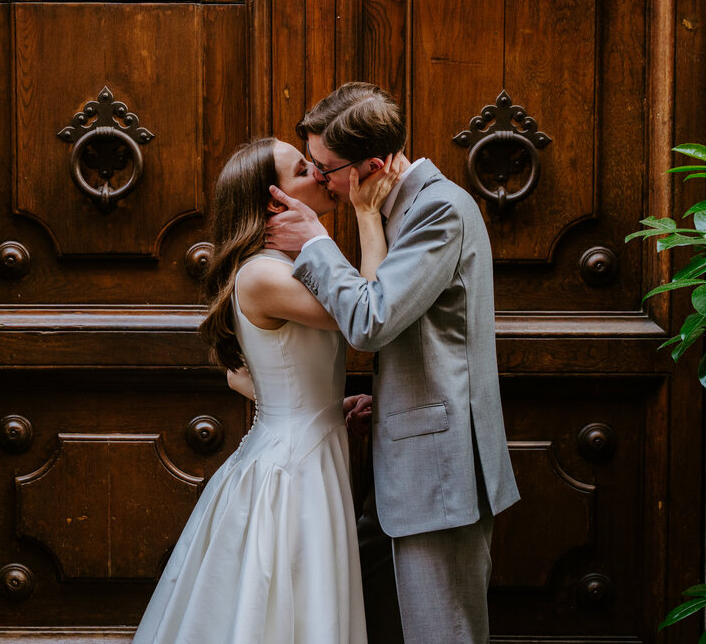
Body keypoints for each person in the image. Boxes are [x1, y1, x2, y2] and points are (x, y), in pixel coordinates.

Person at [265, 83, 521, 644]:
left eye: (325, 168)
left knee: (442, 634)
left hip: (438, 475)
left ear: (372, 165)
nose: (318, 179)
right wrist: (393, 398)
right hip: (399, 462)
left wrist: (314, 243)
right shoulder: (390, 206)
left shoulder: (437, 210)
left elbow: (372, 322)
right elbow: (436, 334)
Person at [133, 137, 397, 644]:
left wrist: (322, 407)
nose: (321, 173)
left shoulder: (285, 268)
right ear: (275, 199)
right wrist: (366, 216)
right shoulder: (263, 274)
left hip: (308, 447)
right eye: (304, 169)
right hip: (293, 472)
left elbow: (246, 374)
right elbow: (369, 312)